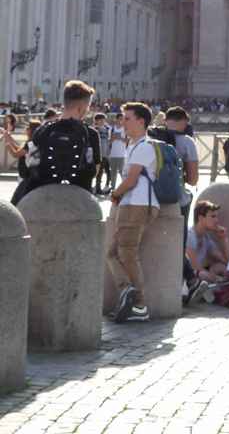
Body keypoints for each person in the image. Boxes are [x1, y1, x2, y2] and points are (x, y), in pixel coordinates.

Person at [107, 102, 161, 323]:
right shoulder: (133, 145)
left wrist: (114, 194)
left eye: (127, 118)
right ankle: (128, 292)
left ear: (141, 121)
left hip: (137, 203)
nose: (123, 122)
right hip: (131, 203)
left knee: (126, 252)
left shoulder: (145, 146)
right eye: (122, 118)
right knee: (113, 253)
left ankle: (139, 304)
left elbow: (130, 180)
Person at [11, 79, 102, 205]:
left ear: (65, 102)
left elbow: (26, 165)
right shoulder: (91, 134)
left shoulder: (43, 130)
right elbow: (94, 171)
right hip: (77, 199)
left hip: (37, 194)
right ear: (81, 108)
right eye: (87, 107)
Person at [185, 200, 229, 296]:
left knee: (221, 267)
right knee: (203, 274)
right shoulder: (190, 235)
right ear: (201, 218)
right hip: (187, 278)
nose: (217, 220)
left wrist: (224, 239)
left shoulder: (206, 238)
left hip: (202, 275)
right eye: (213, 216)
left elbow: (228, 262)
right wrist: (217, 279)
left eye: (216, 216)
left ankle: (213, 291)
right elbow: (194, 267)